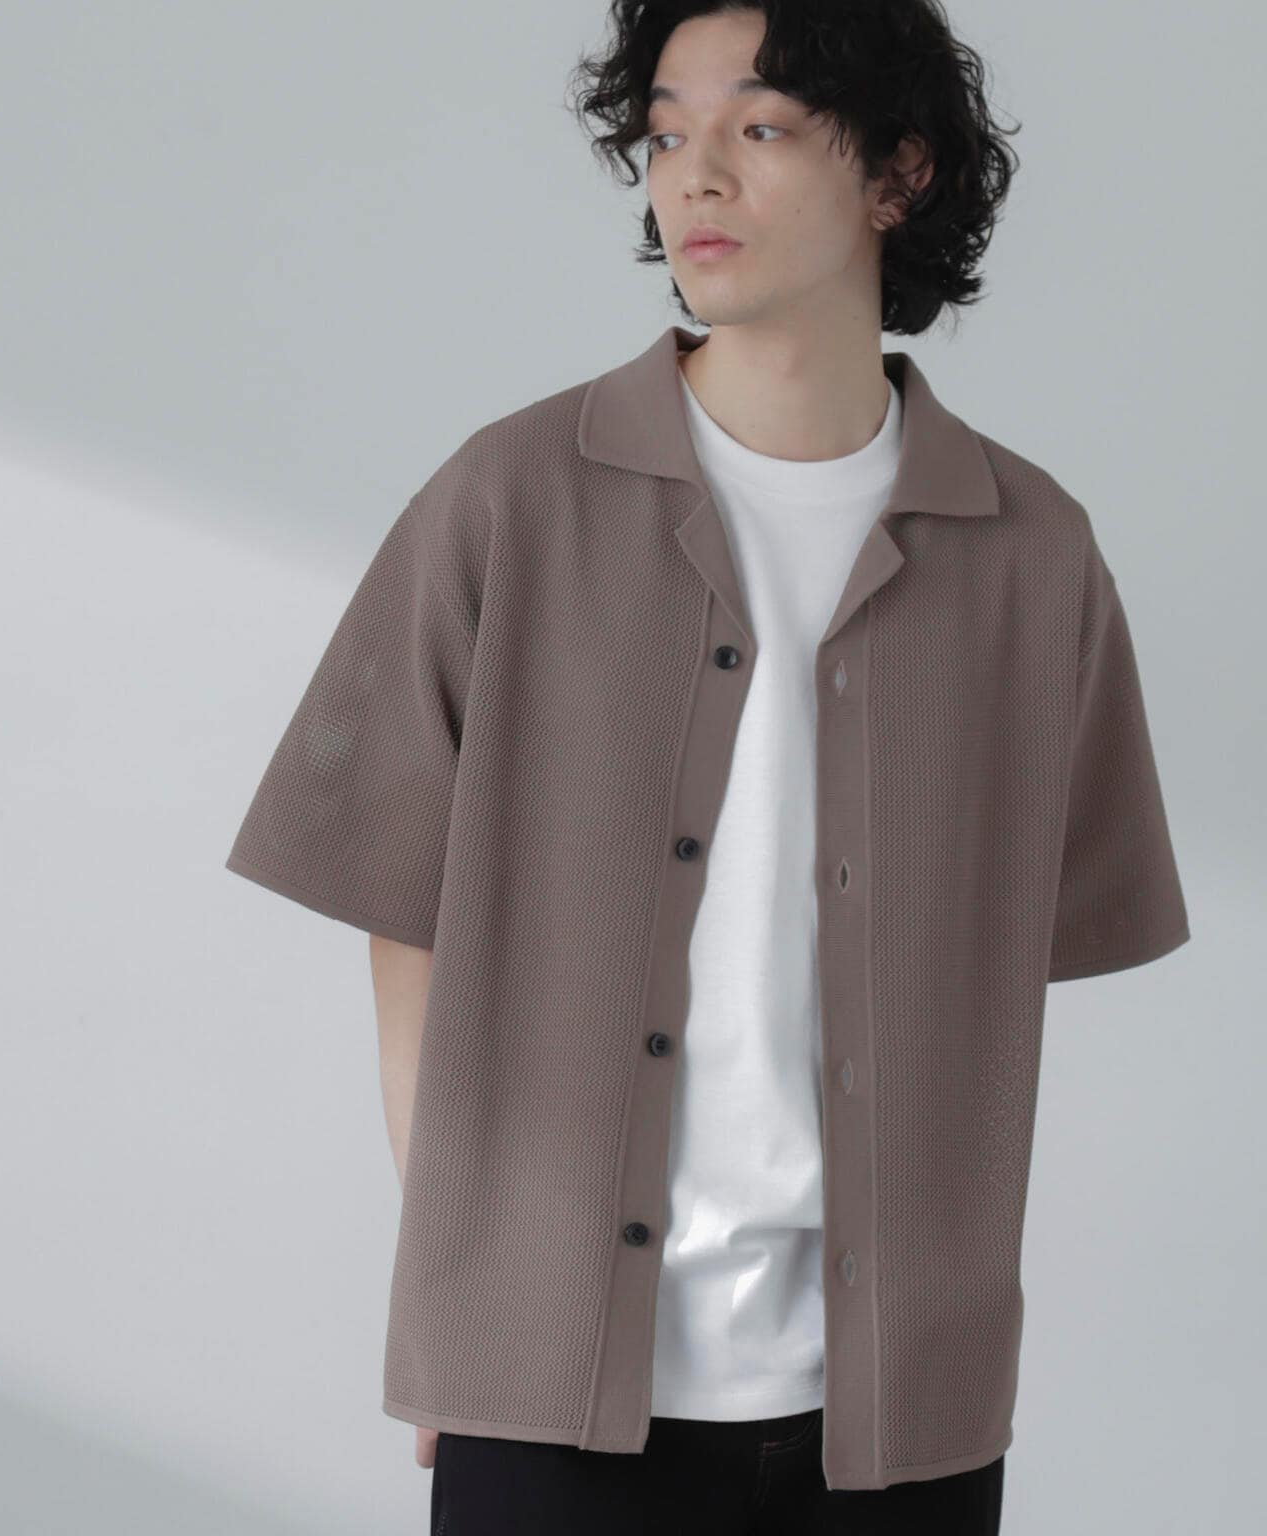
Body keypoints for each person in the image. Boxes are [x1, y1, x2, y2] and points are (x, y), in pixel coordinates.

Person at [225, 3, 1189, 1532]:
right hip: (553, 1401)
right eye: (667, 133)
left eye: (761, 127)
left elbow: (1030, 946)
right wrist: (481, 1301)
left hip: (902, 1417)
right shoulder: (514, 500)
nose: (695, 176)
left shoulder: (1032, 556)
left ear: (899, 175)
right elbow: (402, 922)